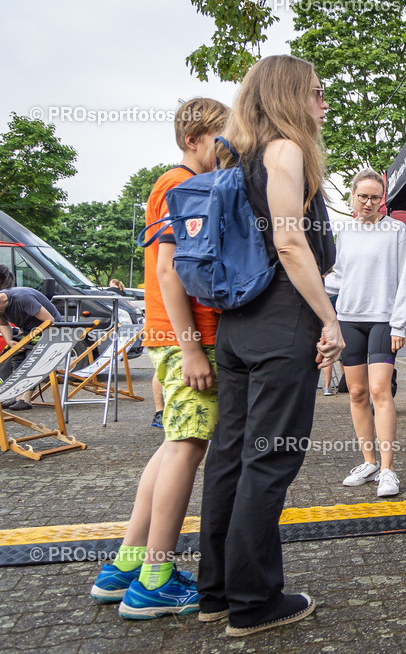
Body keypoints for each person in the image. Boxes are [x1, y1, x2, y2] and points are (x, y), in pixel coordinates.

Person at [197, 54, 342, 637]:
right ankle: (255, 601)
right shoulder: (285, 152)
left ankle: (217, 593)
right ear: (288, 96)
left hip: (238, 322)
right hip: (282, 319)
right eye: (315, 93)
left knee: (229, 456)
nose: (323, 104)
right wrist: (328, 320)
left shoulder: (237, 158)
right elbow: (288, 240)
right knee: (270, 457)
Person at [89, 96, 228, 618]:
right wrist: (192, 347)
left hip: (174, 334)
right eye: (220, 138)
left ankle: (125, 564)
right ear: (194, 139)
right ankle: (155, 579)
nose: (226, 149)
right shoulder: (178, 184)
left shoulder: (169, 182)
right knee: (188, 449)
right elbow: (170, 270)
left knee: (174, 445)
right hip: (187, 336)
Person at [325, 169, 406, 497]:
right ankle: (369, 462)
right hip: (348, 318)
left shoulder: (396, 231)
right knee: (357, 393)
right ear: (352, 196)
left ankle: (388, 470)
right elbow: (339, 276)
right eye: (363, 196)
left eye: (375, 197)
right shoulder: (344, 230)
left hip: (383, 320)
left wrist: (399, 324)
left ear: (383, 199)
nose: (368, 202)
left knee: (380, 390)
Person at [0, 286, 63, 411]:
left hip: (50, 329)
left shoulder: (22, 298)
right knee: (12, 354)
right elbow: (3, 324)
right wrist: (10, 341)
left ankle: (26, 399)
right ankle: (17, 396)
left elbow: (49, 320)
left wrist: (42, 341)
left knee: (33, 356)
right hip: (29, 332)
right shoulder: (1, 308)